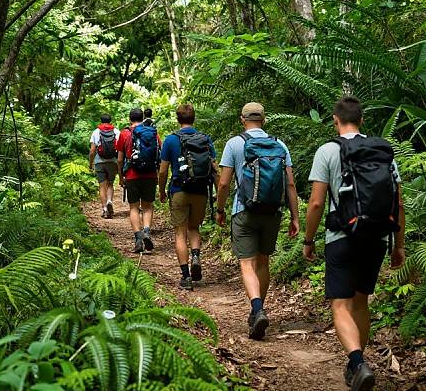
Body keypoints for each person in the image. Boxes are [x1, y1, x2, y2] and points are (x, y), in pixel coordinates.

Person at [303, 96, 406, 391]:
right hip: (377, 236)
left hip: (341, 236)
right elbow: (398, 201)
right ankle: (357, 364)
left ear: (336, 120)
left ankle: (358, 362)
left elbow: (316, 202)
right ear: (362, 120)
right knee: (361, 300)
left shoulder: (328, 151)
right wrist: (399, 244)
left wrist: (308, 240)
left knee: (340, 303)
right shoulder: (382, 151)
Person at [215, 102, 300, 341]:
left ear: (242, 119)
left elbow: (223, 183)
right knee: (263, 262)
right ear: (264, 120)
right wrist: (295, 217)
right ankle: (259, 308)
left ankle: (256, 308)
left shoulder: (234, 143)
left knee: (247, 263)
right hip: (272, 212)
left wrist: (220, 209)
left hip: (244, 210)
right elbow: (290, 184)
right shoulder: (279, 144)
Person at [158, 104, 218, 291]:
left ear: (178, 119)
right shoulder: (205, 139)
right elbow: (215, 168)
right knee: (194, 227)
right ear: (194, 118)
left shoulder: (170, 140)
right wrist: (218, 193)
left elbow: (163, 170)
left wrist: (161, 190)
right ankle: (196, 256)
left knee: (179, 232)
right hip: (200, 190)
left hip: (179, 190)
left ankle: (185, 276)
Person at [116, 108, 161, 253]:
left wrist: (121, 176)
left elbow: (120, 159)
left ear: (130, 119)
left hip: (131, 175)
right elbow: (159, 155)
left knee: (134, 207)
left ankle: (138, 238)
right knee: (147, 206)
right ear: (142, 118)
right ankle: (147, 231)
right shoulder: (152, 132)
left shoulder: (124, 134)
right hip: (150, 175)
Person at [89, 114, 120, 218]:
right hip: (113, 161)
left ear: (101, 121)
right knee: (110, 184)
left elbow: (92, 150)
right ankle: (110, 201)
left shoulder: (96, 132)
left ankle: (104, 209)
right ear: (110, 121)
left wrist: (91, 163)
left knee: (102, 185)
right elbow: (120, 149)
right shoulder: (116, 132)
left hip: (99, 162)